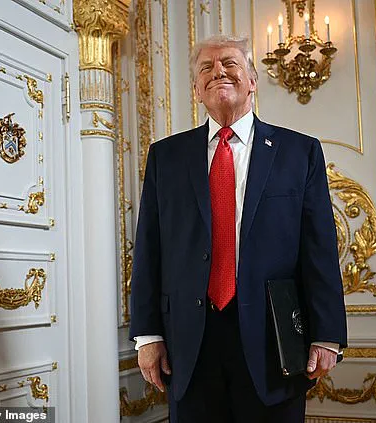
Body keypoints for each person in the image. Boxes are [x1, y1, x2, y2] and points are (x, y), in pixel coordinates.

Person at [129, 35, 347, 423]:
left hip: (273, 342)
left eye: (230, 63)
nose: (218, 72)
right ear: (196, 90)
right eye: (206, 68)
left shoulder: (300, 152)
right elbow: (149, 248)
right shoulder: (166, 156)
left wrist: (327, 334)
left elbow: (319, 249)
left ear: (252, 80)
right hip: (188, 344)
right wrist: (147, 335)